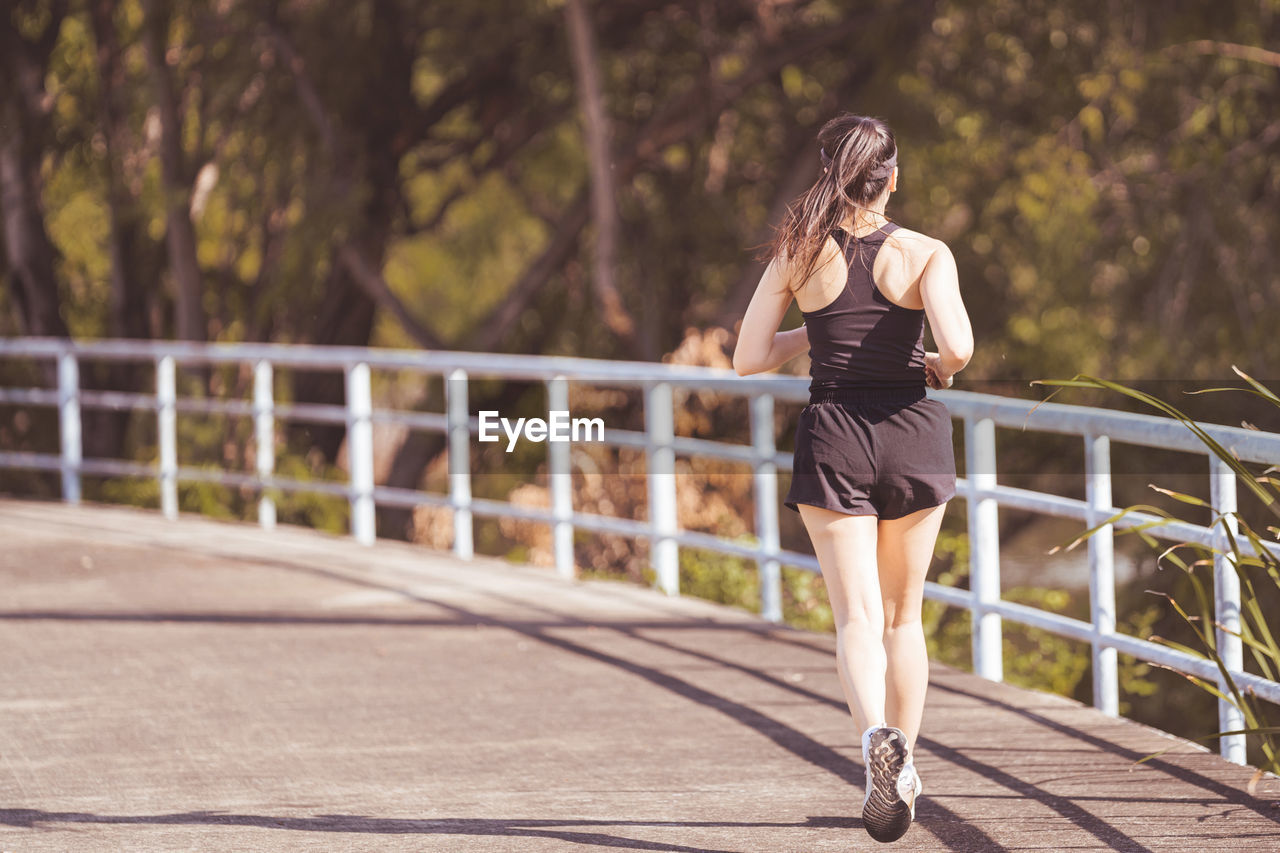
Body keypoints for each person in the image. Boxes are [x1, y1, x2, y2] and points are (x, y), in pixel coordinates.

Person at [731, 113, 973, 843]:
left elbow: (745, 358)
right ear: (891, 177)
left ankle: (873, 738)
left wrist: (817, 326)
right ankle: (903, 765)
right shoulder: (926, 252)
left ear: (831, 177)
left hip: (834, 435)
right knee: (905, 617)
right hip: (914, 434)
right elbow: (958, 344)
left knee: (857, 619)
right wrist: (940, 365)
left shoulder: (798, 253)